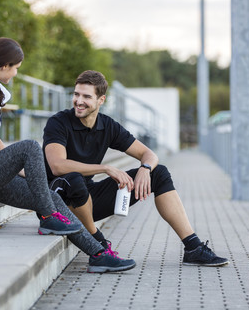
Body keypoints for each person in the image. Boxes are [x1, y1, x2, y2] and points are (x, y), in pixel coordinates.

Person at [0, 38, 135, 273]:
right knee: (30, 147)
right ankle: (48, 216)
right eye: (16, 67)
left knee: (52, 197)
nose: (16, 73)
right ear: (5, 65)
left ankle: (99, 254)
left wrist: (23, 172)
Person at [43, 70, 229, 267]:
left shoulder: (108, 126)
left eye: (86, 96)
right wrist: (106, 168)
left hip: (88, 200)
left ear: (101, 100)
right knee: (74, 179)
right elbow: (57, 166)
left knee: (159, 173)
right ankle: (98, 244)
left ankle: (193, 248)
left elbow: (149, 154)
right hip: (59, 202)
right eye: (76, 94)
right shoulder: (58, 122)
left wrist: (145, 169)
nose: (79, 101)